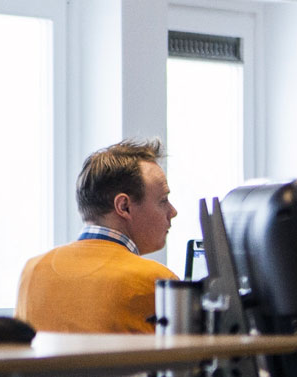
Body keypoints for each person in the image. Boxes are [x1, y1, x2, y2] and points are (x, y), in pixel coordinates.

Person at [15, 139, 181, 334]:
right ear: (124, 206)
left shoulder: (32, 271)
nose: (173, 211)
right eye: (163, 200)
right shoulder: (160, 284)